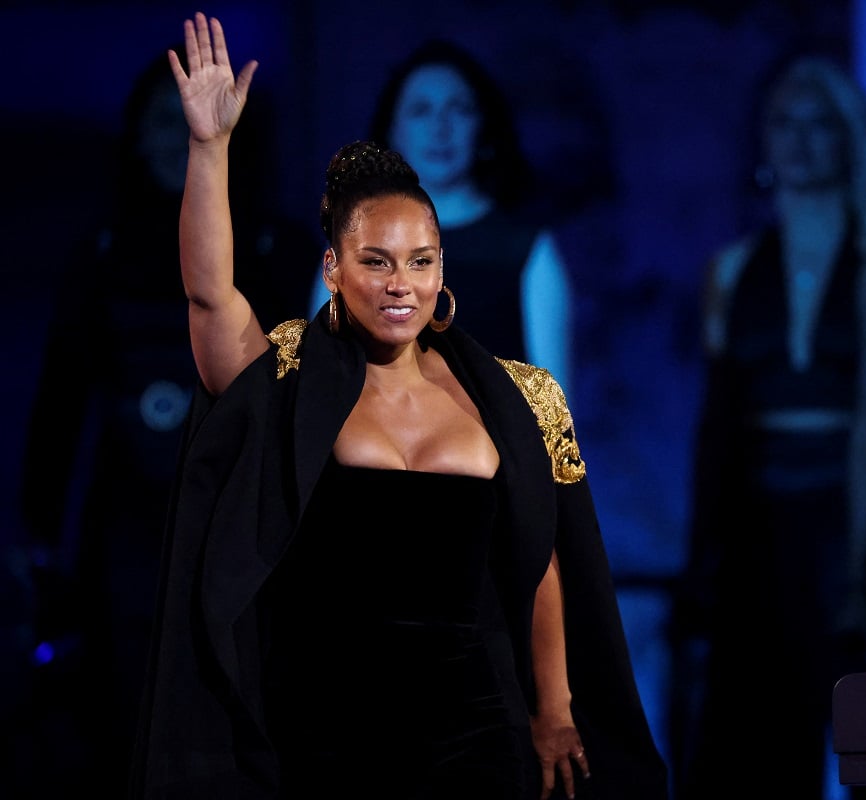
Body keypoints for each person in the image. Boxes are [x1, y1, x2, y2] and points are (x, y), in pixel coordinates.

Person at [129, 13, 666, 800]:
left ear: (441, 268)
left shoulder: (515, 397)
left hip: (480, 722)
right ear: (333, 269)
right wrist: (209, 149)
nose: (399, 283)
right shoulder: (294, 377)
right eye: (374, 262)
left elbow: (542, 555)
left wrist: (554, 707)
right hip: (332, 728)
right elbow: (210, 298)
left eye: (419, 261)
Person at [16, 45, 315, 797]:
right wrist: (38, 534)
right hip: (127, 525)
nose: (171, 139)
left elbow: (313, 403)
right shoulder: (103, 254)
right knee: (125, 706)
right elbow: (61, 400)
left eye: (185, 125)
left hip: (242, 521)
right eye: (156, 124)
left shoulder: (276, 249)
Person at [670, 55, 866, 800]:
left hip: (855, 510)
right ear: (764, 143)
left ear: (847, 136)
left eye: (818, 123)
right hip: (757, 528)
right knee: (749, 743)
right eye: (784, 122)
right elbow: (716, 430)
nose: (800, 140)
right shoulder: (735, 268)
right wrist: (702, 555)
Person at [308, 37, 574, 397]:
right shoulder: (349, 248)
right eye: (421, 110)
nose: (440, 127)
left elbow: (554, 414)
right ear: (392, 130)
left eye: (458, 109)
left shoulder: (527, 251)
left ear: (483, 128)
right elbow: (321, 387)